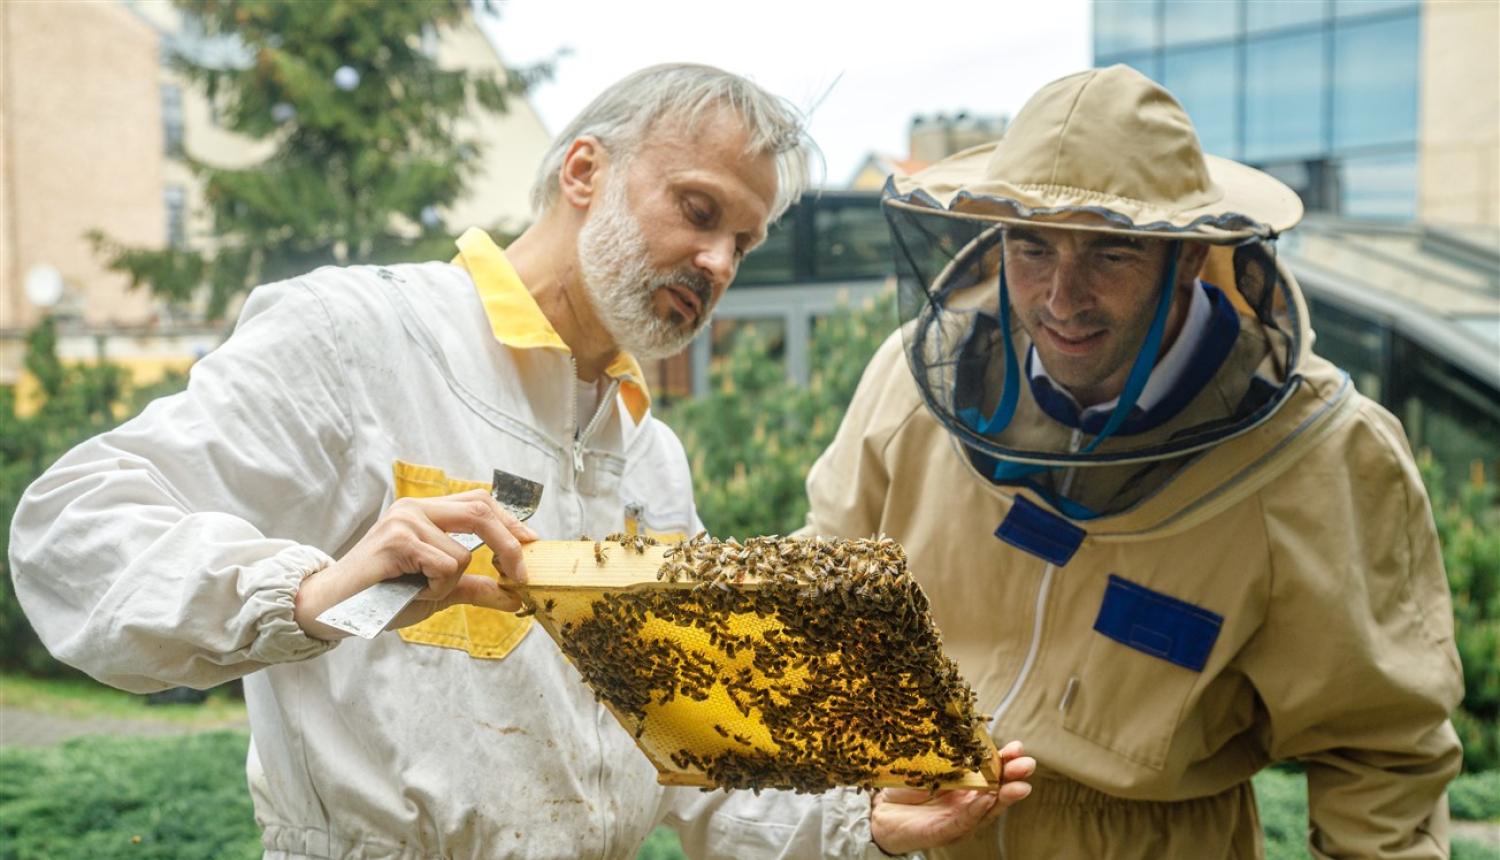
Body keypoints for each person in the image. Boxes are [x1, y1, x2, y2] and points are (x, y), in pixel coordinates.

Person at [8, 63, 1032, 860]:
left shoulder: (649, 454)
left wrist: (868, 825)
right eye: (700, 208)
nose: (720, 263)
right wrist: (316, 589)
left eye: (746, 242)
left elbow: (704, 762)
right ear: (583, 171)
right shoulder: (357, 334)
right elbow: (75, 533)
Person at [802, 65, 1464, 859]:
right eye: (1032, 247)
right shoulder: (909, 382)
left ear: (1187, 256)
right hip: (915, 830)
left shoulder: (1330, 456)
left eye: (1111, 252)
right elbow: (821, 606)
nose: (1060, 297)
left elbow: (1380, 756)